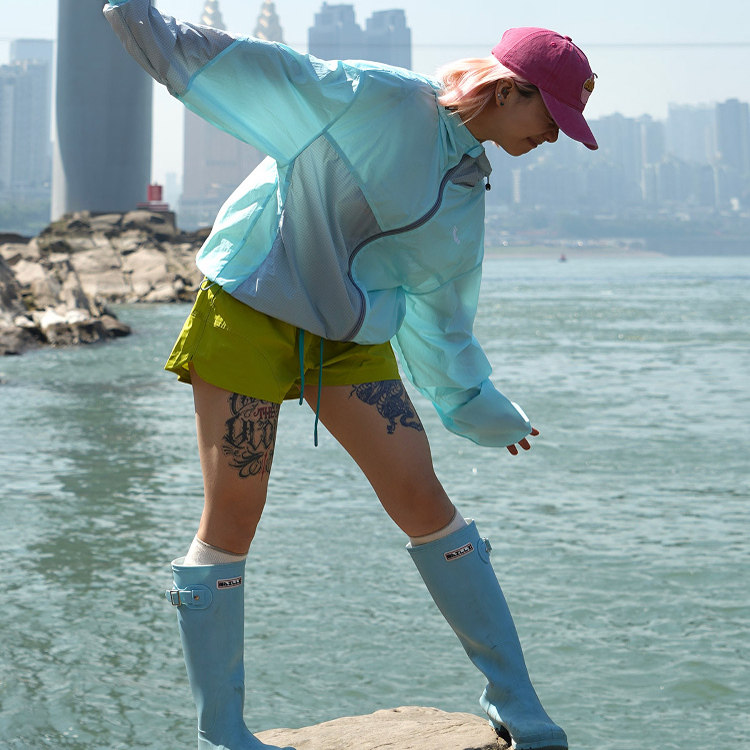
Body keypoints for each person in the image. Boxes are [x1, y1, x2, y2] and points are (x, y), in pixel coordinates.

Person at [104, 4, 598, 749]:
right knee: (233, 513)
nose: (555, 136)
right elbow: (258, 71)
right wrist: (138, 16)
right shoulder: (378, 95)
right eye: (552, 116)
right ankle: (222, 732)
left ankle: (517, 703)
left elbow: (440, 304)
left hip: (349, 337)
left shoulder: (467, 182)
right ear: (507, 90)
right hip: (251, 308)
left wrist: (476, 402)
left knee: (424, 501)